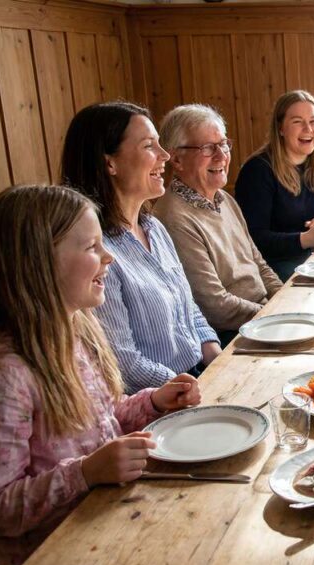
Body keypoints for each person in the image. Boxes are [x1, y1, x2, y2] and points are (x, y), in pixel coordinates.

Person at [0, 185, 201, 565]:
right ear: (37, 263)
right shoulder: (6, 374)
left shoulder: (78, 331)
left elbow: (102, 418)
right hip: (57, 551)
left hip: (107, 515)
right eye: (91, 247)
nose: (109, 257)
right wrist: (84, 473)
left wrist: (153, 401)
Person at [61, 102, 221, 393]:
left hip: (197, 378)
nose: (165, 155)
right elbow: (124, 364)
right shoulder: (97, 254)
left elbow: (190, 310)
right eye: (150, 146)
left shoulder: (155, 228)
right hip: (158, 401)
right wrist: (194, 390)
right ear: (109, 162)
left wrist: (220, 365)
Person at [154, 104, 284, 346]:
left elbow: (259, 264)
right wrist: (276, 317)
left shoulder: (225, 199)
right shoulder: (173, 217)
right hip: (232, 337)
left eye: (223, 144)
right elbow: (215, 306)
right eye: (207, 148)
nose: (222, 155)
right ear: (177, 159)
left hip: (263, 317)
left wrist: (287, 301)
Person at [234, 90, 314, 281]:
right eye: (297, 122)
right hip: (276, 265)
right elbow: (254, 238)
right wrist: (306, 239)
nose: (308, 129)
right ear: (280, 128)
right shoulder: (257, 170)